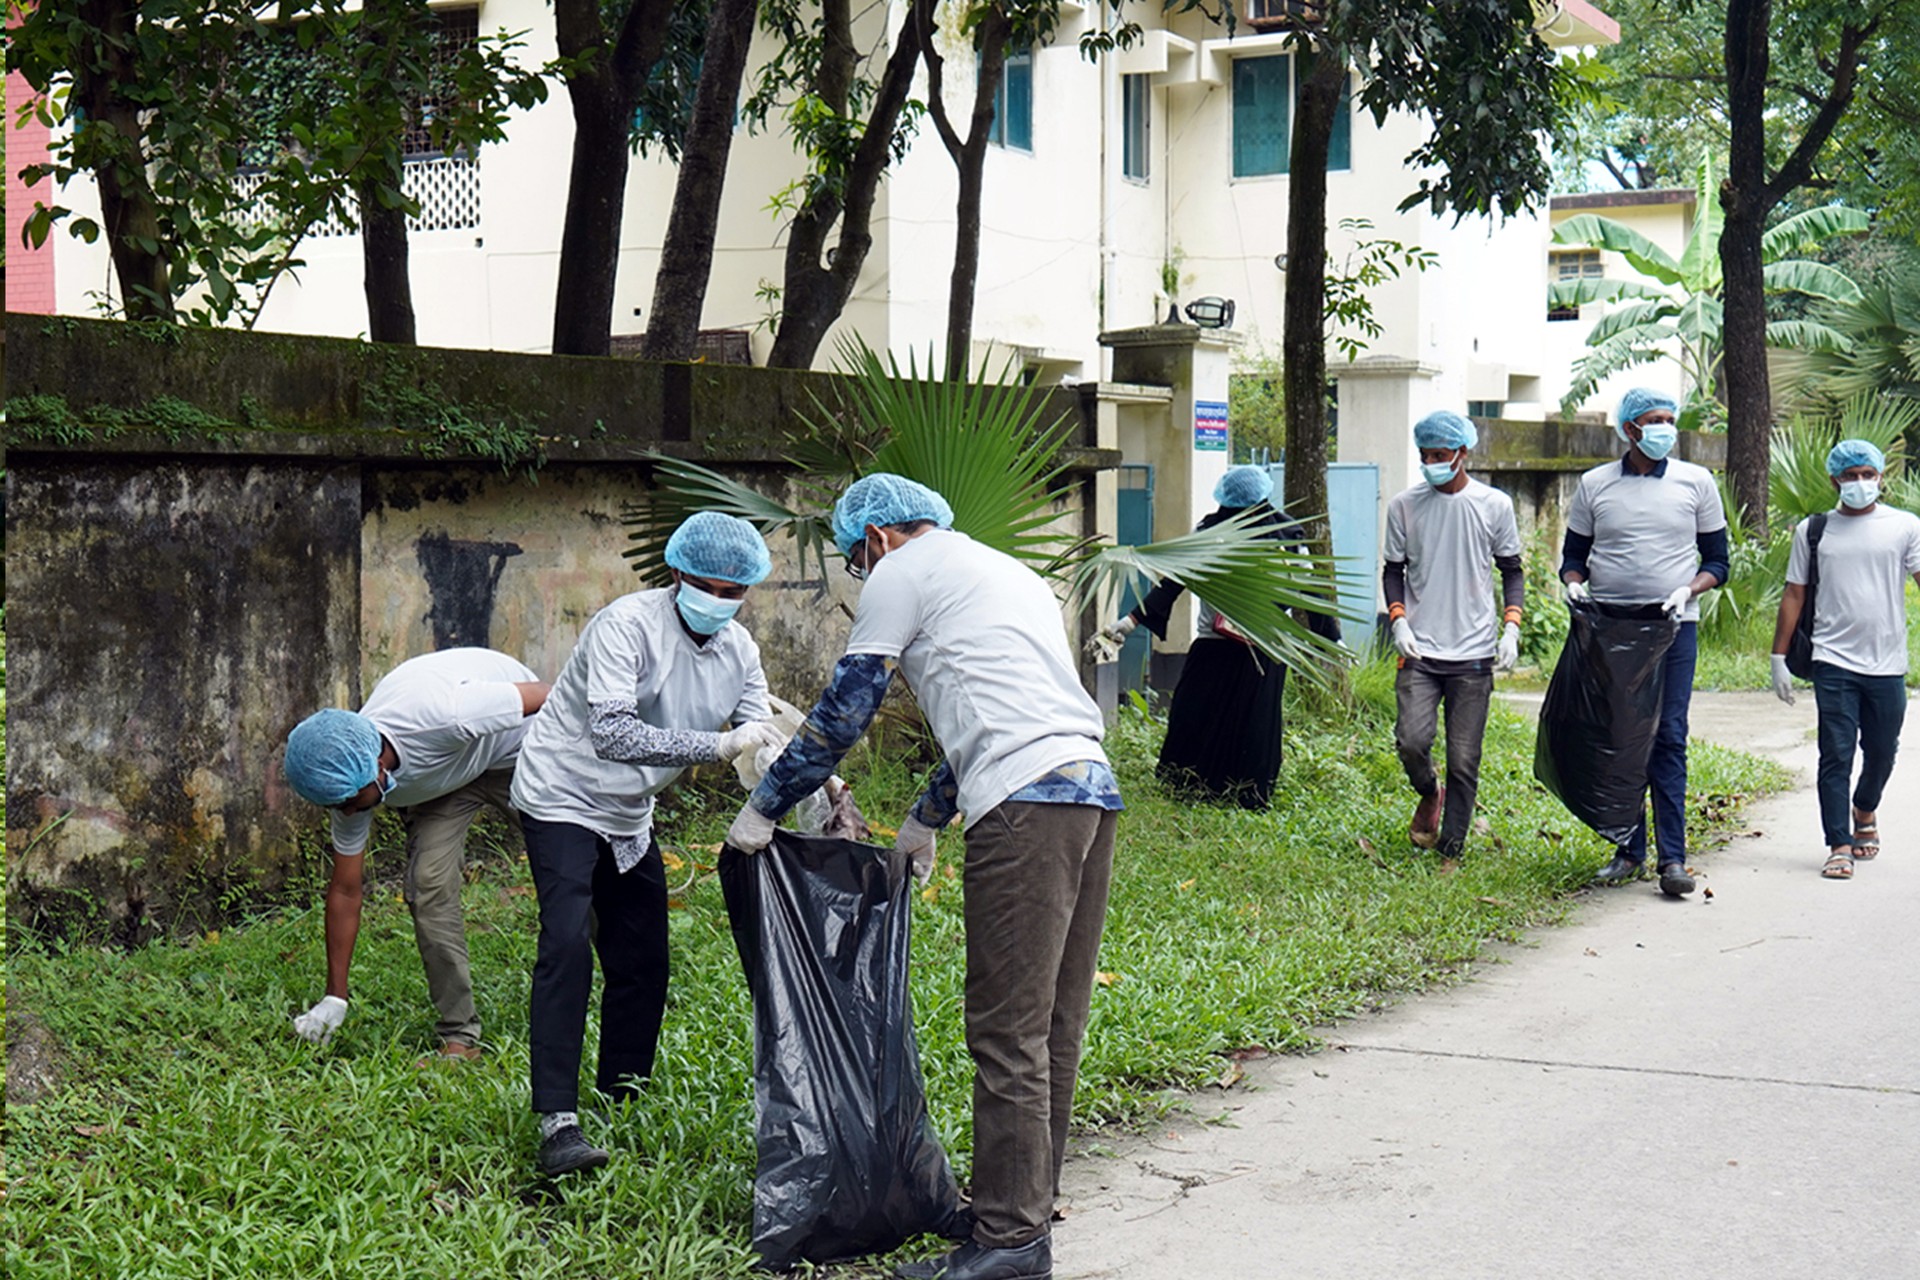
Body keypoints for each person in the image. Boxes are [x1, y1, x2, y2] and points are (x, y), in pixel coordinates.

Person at [727, 474, 1121, 1280]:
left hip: (1024, 803)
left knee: (1006, 1030)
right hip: (1088, 790)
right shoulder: (1004, 572)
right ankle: (1024, 1208)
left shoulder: (903, 572)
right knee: (1051, 1024)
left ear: (875, 538)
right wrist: (926, 817)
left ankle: (1010, 1244)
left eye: (857, 560)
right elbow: (998, 706)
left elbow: (845, 708)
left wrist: (766, 804)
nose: (865, 574)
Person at [510, 512, 784, 1176]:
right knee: (568, 941)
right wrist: (718, 746)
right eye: (708, 586)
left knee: (644, 956)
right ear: (678, 573)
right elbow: (614, 735)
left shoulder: (739, 648)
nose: (720, 601)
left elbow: (763, 730)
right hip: (563, 794)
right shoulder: (625, 626)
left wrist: (820, 778)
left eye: (733, 591)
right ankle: (558, 1122)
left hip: (631, 811)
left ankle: (623, 1091)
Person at [283, 648, 550, 1058]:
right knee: (428, 884)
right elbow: (346, 891)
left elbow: (551, 693)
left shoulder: (447, 713)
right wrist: (335, 997)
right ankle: (459, 1037)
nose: (348, 812)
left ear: (376, 767)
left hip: (520, 750)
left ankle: (627, 974)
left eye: (350, 802)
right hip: (448, 779)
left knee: (570, 865)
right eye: (338, 805)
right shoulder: (350, 783)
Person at [1085, 465, 1340, 810]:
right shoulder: (1209, 532)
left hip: (1264, 648)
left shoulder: (1287, 536)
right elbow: (1174, 581)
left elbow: (1307, 593)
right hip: (1216, 642)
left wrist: (1330, 640)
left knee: (1251, 724)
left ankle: (1246, 793)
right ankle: (1190, 784)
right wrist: (1129, 622)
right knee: (1196, 713)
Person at [1560, 387, 1729, 896]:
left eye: (1669, 419)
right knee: (1620, 734)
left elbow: (1717, 561)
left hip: (1673, 623)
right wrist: (1572, 584)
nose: (1664, 429)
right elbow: (1574, 555)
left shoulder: (1696, 482)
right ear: (1629, 428)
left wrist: (1688, 589)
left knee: (1668, 735)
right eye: (1653, 420)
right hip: (1610, 626)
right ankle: (1629, 848)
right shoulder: (1594, 486)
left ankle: (1672, 859)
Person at [1770, 439, 1920, 880]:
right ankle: (1838, 843)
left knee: (1882, 751)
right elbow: (1795, 591)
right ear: (1834, 479)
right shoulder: (1814, 530)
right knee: (1834, 752)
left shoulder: (1905, 527)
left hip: (1887, 660)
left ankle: (1865, 807)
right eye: (1850, 476)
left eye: (1867, 474)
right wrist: (1778, 655)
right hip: (1832, 657)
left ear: (1880, 476)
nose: (1859, 483)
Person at [1384, 410, 1525, 858]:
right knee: (1411, 741)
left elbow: (1512, 569)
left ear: (1463, 453)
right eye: (1425, 454)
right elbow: (1392, 569)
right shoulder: (1404, 506)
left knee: (1465, 759)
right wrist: (1398, 618)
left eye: (1440, 454)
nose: (1431, 462)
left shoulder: (1494, 505)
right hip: (1420, 648)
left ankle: (1452, 847)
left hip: (1474, 653)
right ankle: (1428, 791)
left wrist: (1511, 628)